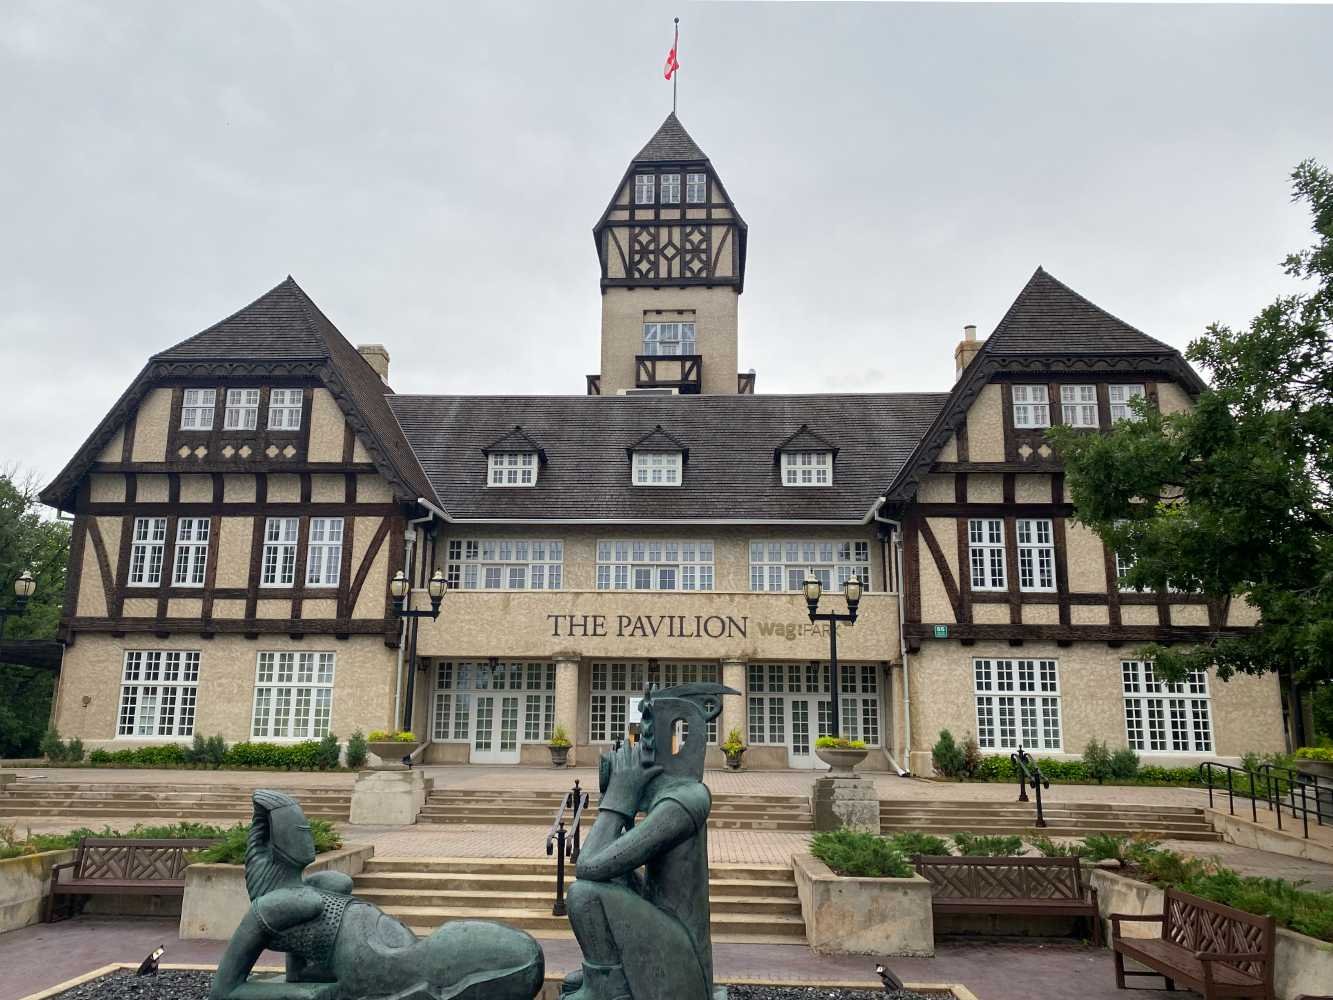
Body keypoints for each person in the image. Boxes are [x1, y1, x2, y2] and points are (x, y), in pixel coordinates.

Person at [211, 789, 544, 1000]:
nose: (308, 838)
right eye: (301, 831)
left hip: (382, 942)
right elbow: (224, 989)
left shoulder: (314, 887)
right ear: (280, 845)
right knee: (436, 961)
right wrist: (311, 992)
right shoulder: (276, 905)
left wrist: (302, 981)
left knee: (438, 955)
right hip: (372, 958)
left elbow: (299, 965)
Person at [562, 682, 736, 1000]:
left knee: (583, 894)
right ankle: (605, 976)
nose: (641, 745)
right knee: (612, 876)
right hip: (666, 926)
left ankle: (608, 988)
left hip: (682, 951)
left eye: (648, 735)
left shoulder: (685, 800)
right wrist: (622, 802)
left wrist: (616, 800)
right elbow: (610, 860)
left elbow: (586, 867)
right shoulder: (672, 794)